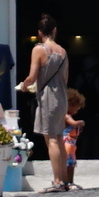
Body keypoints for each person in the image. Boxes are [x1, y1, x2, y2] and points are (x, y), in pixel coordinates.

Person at [23, 26, 73, 186]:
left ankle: (57, 180)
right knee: (59, 137)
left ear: (39, 33)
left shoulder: (39, 49)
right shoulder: (63, 51)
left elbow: (32, 76)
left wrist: (24, 85)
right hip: (61, 97)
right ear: (55, 30)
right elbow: (65, 78)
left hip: (48, 97)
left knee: (51, 138)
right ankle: (64, 179)